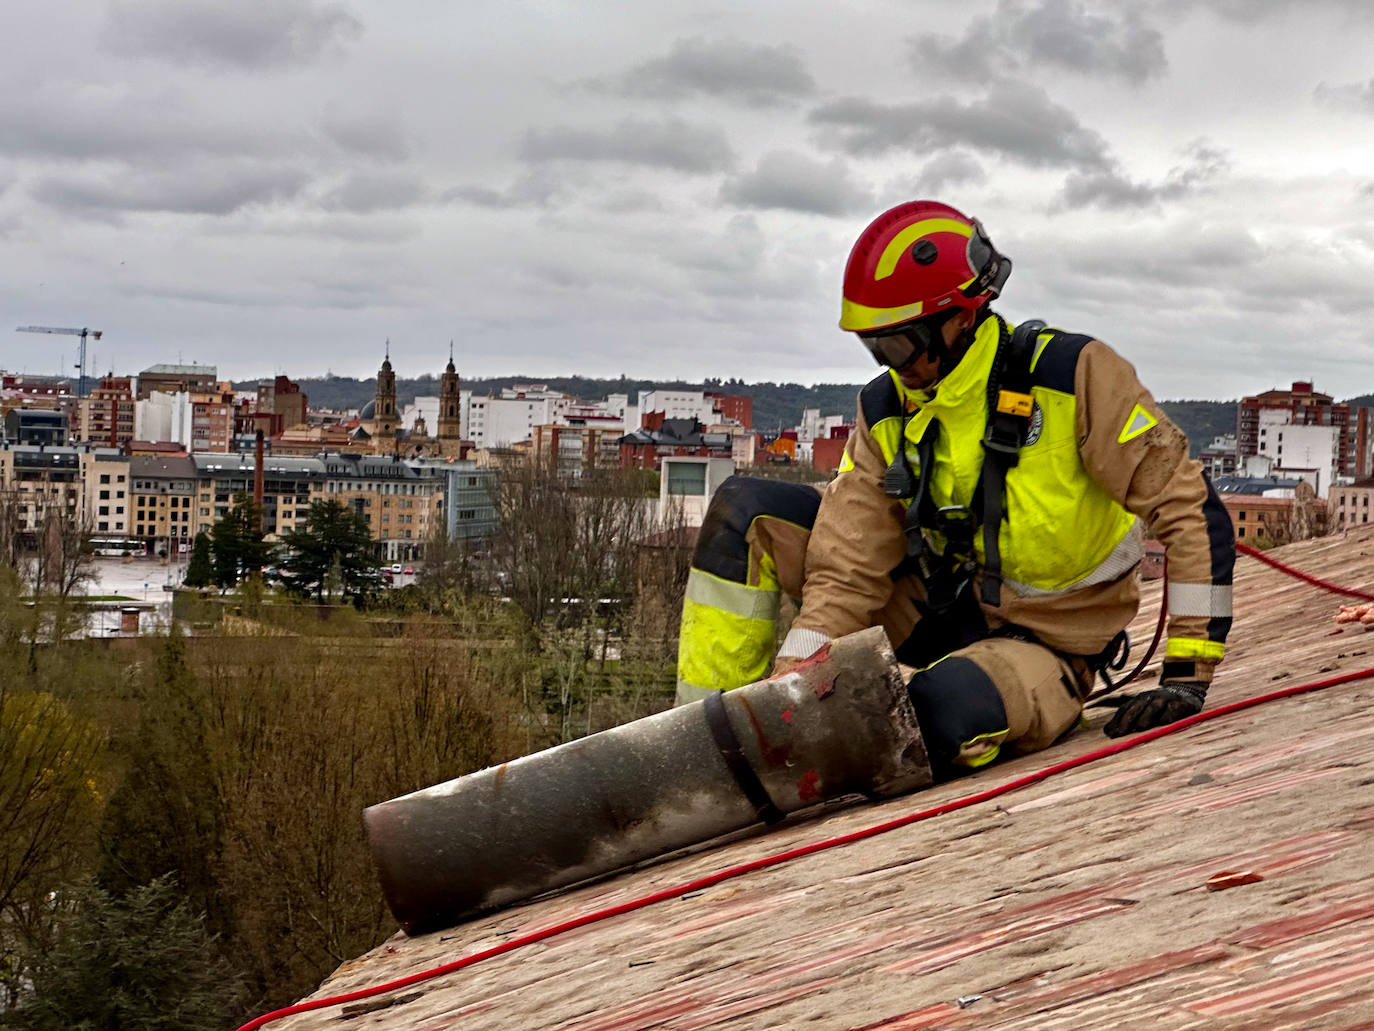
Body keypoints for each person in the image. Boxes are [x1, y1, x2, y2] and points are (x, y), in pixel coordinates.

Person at [675, 199, 1235, 777]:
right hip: (933, 607)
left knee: (930, 720)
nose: (889, 363)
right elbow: (849, 566)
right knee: (747, 511)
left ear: (960, 318)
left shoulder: (1073, 379)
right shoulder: (889, 409)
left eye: (898, 344)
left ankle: (994, 705)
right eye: (874, 347)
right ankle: (699, 746)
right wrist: (784, 691)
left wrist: (1187, 676)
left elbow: (1190, 511)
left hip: (1045, 644)